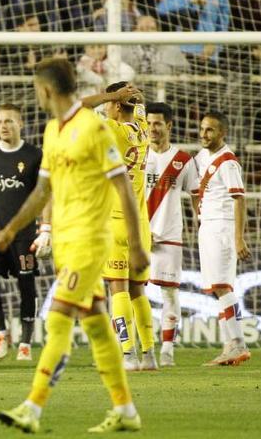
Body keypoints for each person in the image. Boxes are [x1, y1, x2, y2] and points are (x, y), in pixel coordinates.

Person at [0, 58, 146, 433]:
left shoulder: (95, 128)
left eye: (36, 88)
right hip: (65, 242)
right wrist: (12, 229)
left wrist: (138, 244)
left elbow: (123, 186)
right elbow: (43, 188)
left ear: (45, 90)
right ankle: (125, 411)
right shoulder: (51, 131)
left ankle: (33, 406)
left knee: (59, 316)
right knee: (95, 324)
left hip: (92, 243)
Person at [81, 82, 156, 371]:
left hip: (114, 221)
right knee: (139, 290)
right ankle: (149, 353)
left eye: (110, 104)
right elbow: (138, 106)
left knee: (118, 289)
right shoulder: (142, 128)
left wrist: (114, 94)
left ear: (114, 105)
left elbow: (80, 106)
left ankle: (128, 354)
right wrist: (134, 97)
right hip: (140, 223)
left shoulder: (112, 129)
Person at [0, 103, 47, 362]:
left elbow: (44, 193)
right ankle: (1, 332)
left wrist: (46, 229)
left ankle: (25, 343)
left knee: (26, 283)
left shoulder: (34, 155)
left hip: (24, 231)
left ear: (20, 124)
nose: (3, 126)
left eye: (9, 121)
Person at [195, 111, 252, 366]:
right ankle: (231, 344)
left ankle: (238, 343)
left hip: (222, 229)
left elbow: (239, 199)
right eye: (203, 129)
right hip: (207, 227)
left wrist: (238, 238)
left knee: (222, 287)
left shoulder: (228, 161)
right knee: (218, 289)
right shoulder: (202, 157)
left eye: (210, 130)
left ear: (222, 133)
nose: (204, 134)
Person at [144, 102, 199, 367]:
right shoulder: (136, 156)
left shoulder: (183, 160)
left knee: (169, 294)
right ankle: (137, 348)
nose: (152, 129)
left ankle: (167, 349)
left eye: (157, 124)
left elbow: (196, 197)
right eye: (149, 123)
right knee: (130, 294)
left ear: (168, 125)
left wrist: (202, 224)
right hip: (136, 237)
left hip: (169, 235)